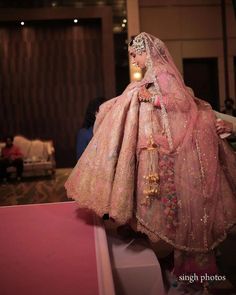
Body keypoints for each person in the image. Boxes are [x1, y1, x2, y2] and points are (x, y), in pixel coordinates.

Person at [65, 33, 236, 291]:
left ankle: (196, 276)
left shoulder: (164, 74)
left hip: (169, 150)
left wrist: (150, 99)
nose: (133, 59)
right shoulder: (150, 77)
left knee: (182, 212)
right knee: (173, 213)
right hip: (156, 147)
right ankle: (183, 270)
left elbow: (181, 102)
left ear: (147, 52)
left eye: (136, 54)